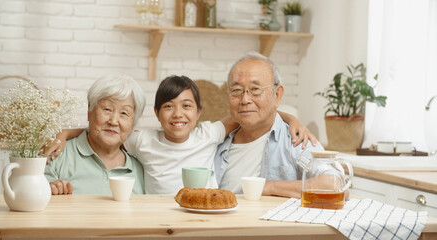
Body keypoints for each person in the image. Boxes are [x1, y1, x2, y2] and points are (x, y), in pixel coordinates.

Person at [47, 75, 316, 195]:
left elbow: (251, 112)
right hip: (159, 221)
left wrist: (290, 117)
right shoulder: (143, 140)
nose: (178, 115)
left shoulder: (208, 133)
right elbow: (108, 132)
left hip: (204, 213)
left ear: (199, 112)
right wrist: (65, 133)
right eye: (168, 107)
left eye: (187, 106)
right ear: (155, 112)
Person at [214, 52, 328, 198]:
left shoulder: (296, 141)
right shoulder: (215, 141)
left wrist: (268, 186)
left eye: (255, 89)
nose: (245, 100)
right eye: (236, 90)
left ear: (277, 95)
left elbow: (334, 185)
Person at [44, 74, 145, 195]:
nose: (113, 121)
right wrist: (48, 191)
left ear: (133, 124)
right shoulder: (56, 153)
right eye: (107, 109)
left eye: (124, 113)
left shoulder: (142, 169)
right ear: (89, 111)